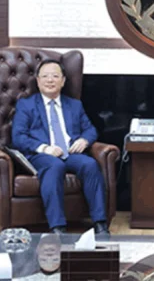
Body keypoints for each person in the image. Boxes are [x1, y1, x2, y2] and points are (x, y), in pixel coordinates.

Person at [11, 59, 109, 234]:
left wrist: (84, 140)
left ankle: (100, 223)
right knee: (54, 166)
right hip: (41, 155)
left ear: (63, 81)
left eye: (55, 76)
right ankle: (57, 227)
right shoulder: (26, 105)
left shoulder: (74, 105)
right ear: (38, 81)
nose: (50, 80)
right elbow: (18, 137)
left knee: (90, 164)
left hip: (70, 152)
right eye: (45, 76)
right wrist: (44, 148)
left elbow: (90, 129)